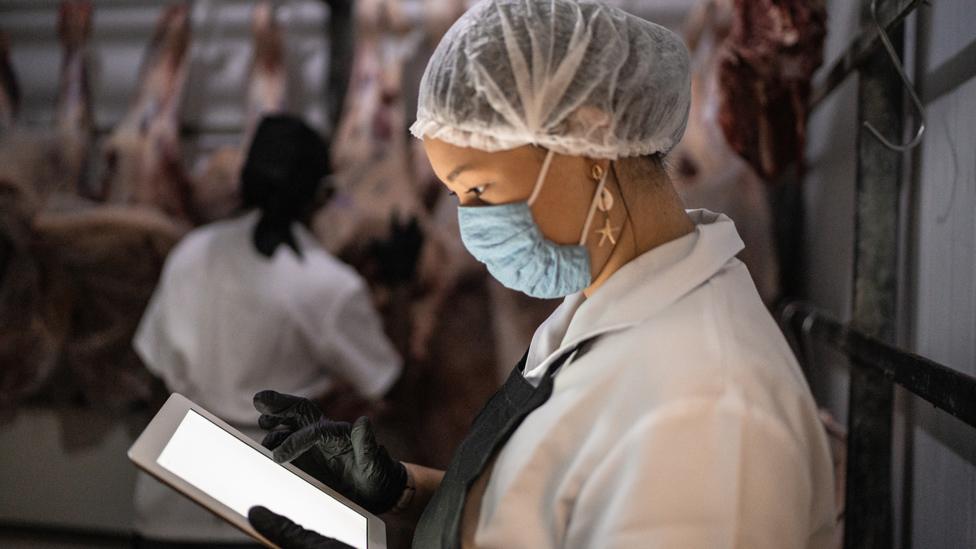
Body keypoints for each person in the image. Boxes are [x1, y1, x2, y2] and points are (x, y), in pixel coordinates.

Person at [245, 2, 836, 548]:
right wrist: (404, 491)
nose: (471, 228)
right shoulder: (606, 305)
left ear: (593, 139)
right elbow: (550, 512)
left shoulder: (708, 414)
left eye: (479, 189)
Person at [132, 115, 402, 548]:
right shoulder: (328, 284)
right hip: (273, 506)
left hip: (171, 493)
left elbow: (151, 372)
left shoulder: (190, 253)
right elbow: (390, 385)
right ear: (322, 193)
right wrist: (397, 292)